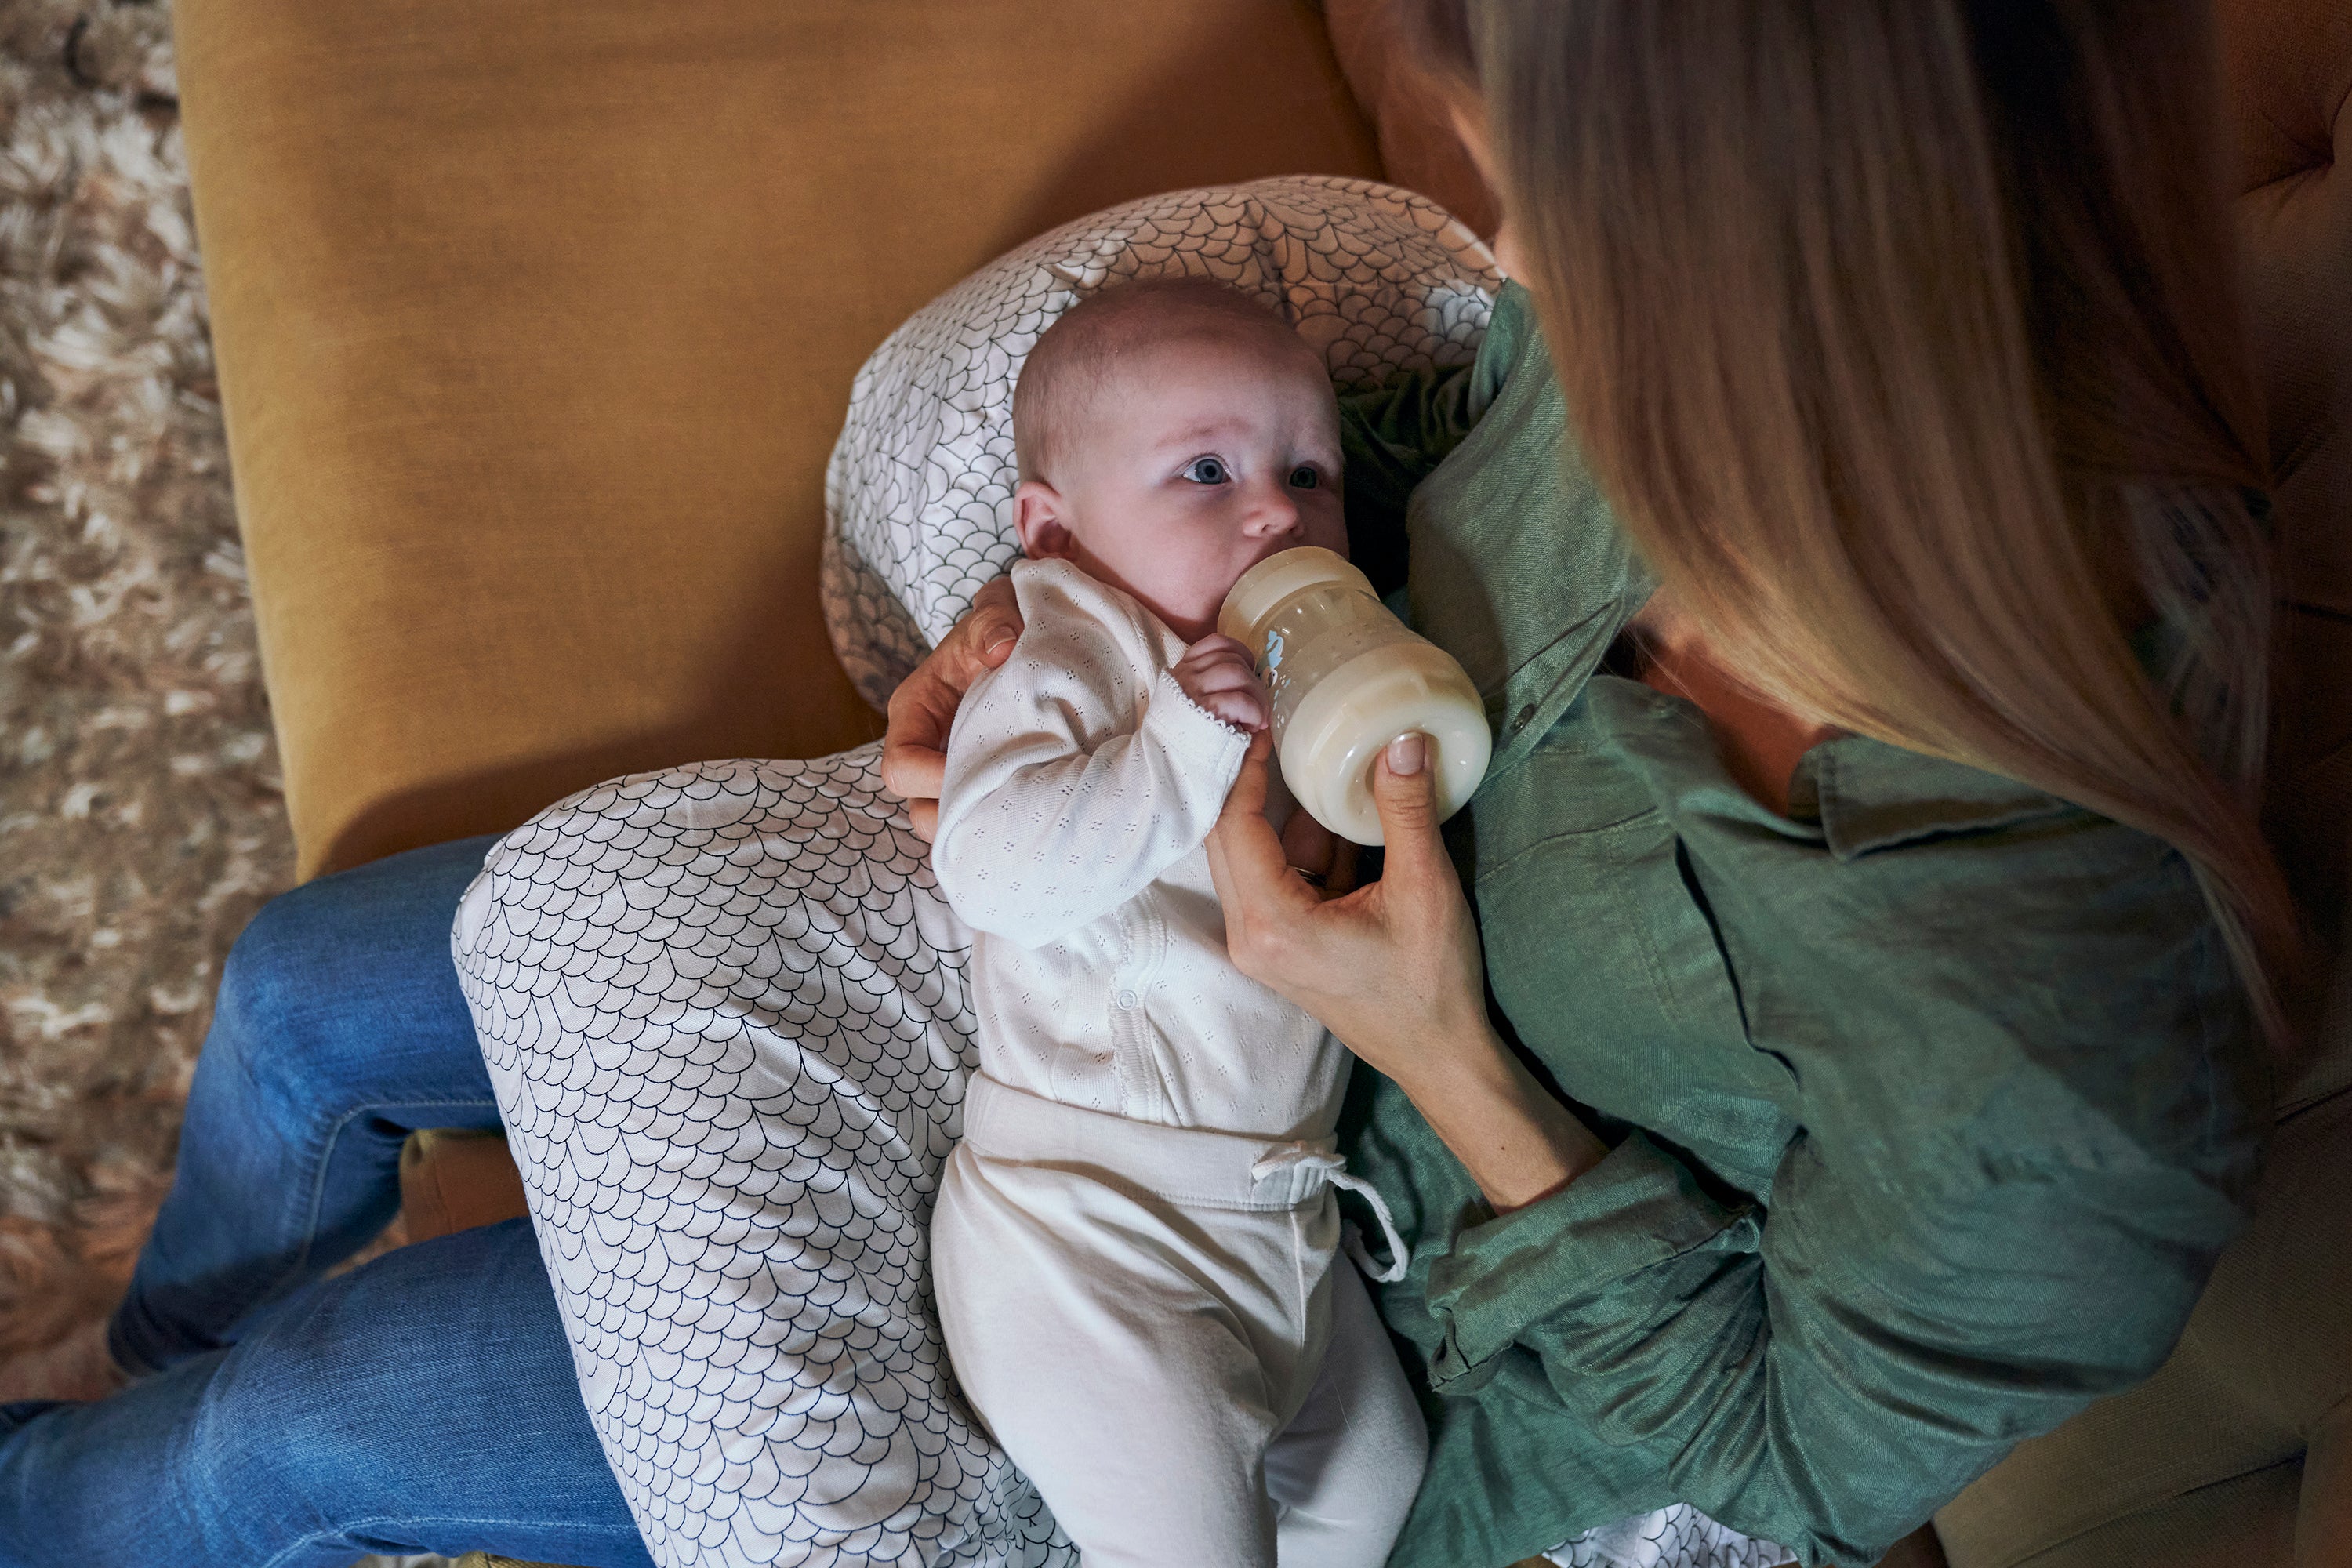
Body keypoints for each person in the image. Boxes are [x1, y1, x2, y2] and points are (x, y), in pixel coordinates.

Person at [0, 3, 2288, 1566]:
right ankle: (117, 1348)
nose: (1508, 223)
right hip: (1069, 939)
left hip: (1292, 1268)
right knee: (302, 998)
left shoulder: (2051, 1079)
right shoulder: (1686, 366)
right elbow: (1397, 469)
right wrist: (1079, 605)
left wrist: (1453, 1064)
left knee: (283, 1438)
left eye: (1540, 182)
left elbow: (1761, 1468)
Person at [926, 276, 1425, 1566]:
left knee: (1380, 1485)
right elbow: (993, 868)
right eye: (1206, 470)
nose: (1277, 507)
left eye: (1310, 472)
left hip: (1285, 1218)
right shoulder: (1069, 660)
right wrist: (1179, 742)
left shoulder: (1310, 661)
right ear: (1054, 533)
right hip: (1091, 1239)